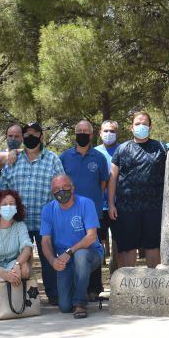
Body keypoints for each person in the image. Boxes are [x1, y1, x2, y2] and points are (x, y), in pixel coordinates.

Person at [0, 121, 65, 305]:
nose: (30, 138)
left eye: (34, 134)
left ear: (41, 137)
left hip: (46, 222)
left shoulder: (52, 159)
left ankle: (54, 295)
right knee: (19, 261)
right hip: (20, 223)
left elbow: (61, 190)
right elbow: (3, 190)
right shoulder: (13, 160)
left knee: (49, 260)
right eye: (26, 135)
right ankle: (20, 298)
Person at [108, 111, 167, 268]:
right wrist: (111, 204)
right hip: (127, 208)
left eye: (144, 124)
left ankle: (155, 285)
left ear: (150, 126)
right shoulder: (121, 149)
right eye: (137, 124)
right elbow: (113, 178)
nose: (141, 126)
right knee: (128, 248)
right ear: (131, 127)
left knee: (153, 247)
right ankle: (128, 287)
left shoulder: (161, 148)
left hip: (154, 207)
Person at [41, 174, 104, 318]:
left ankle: (80, 303)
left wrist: (69, 252)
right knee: (64, 306)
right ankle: (79, 291)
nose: (61, 191)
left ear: (72, 188)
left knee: (80, 256)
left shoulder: (86, 203)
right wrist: (52, 261)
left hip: (90, 252)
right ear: (52, 193)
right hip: (65, 259)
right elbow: (45, 241)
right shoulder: (48, 210)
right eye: (56, 189)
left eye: (65, 187)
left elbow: (91, 236)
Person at [59, 119, 109, 300]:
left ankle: (94, 289)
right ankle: (73, 288)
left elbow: (103, 182)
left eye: (85, 131)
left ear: (91, 134)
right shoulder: (64, 157)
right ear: (75, 133)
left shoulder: (99, 158)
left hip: (93, 213)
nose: (82, 133)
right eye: (78, 130)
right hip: (69, 213)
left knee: (93, 249)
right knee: (72, 250)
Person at [95, 120, 120, 263]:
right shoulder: (94, 152)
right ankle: (97, 285)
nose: (108, 134)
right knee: (97, 246)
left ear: (117, 133)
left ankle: (121, 281)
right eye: (105, 131)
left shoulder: (124, 149)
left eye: (112, 131)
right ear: (100, 133)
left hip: (120, 206)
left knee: (123, 246)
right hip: (98, 207)